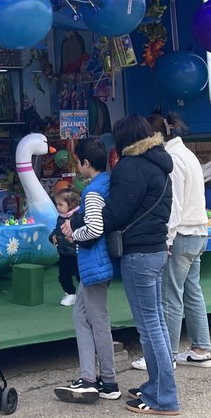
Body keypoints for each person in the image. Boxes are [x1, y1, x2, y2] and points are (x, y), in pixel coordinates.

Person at [102, 115, 179, 416]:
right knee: (155, 323)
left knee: (150, 329)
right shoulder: (159, 164)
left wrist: (81, 222)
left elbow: (117, 212)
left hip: (140, 255)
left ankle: (164, 397)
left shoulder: (130, 166)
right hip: (157, 250)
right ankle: (156, 385)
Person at [55, 138, 120, 403]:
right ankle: (88, 377)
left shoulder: (93, 193)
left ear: (86, 163)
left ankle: (107, 380)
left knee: (98, 320)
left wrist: (73, 233)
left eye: (78, 162)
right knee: (82, 316)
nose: (77, 167)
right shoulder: (107, 183)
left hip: (95, 262)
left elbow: (94, 228)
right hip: (96, 263)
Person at [149, 112, 211, 369]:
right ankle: (201, 349)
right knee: (193, 292)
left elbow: (173, 205)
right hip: (199, 233)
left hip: (182, 235)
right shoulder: (188, 155)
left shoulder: (173, 159)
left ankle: (167, 355)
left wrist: (167, 240)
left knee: (170, 296)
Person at [49, 189, 82, 307]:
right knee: (63, 276)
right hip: (64, 254)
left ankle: (85, 295)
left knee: (81, 276)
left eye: (60, 204)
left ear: (71, 205)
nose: (57, 207)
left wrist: (74, 239)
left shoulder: (78, 217)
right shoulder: (61, 217)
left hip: (77, 254)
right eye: (56, 204)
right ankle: (70, 293)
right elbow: (56, 230)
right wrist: (53, 236)